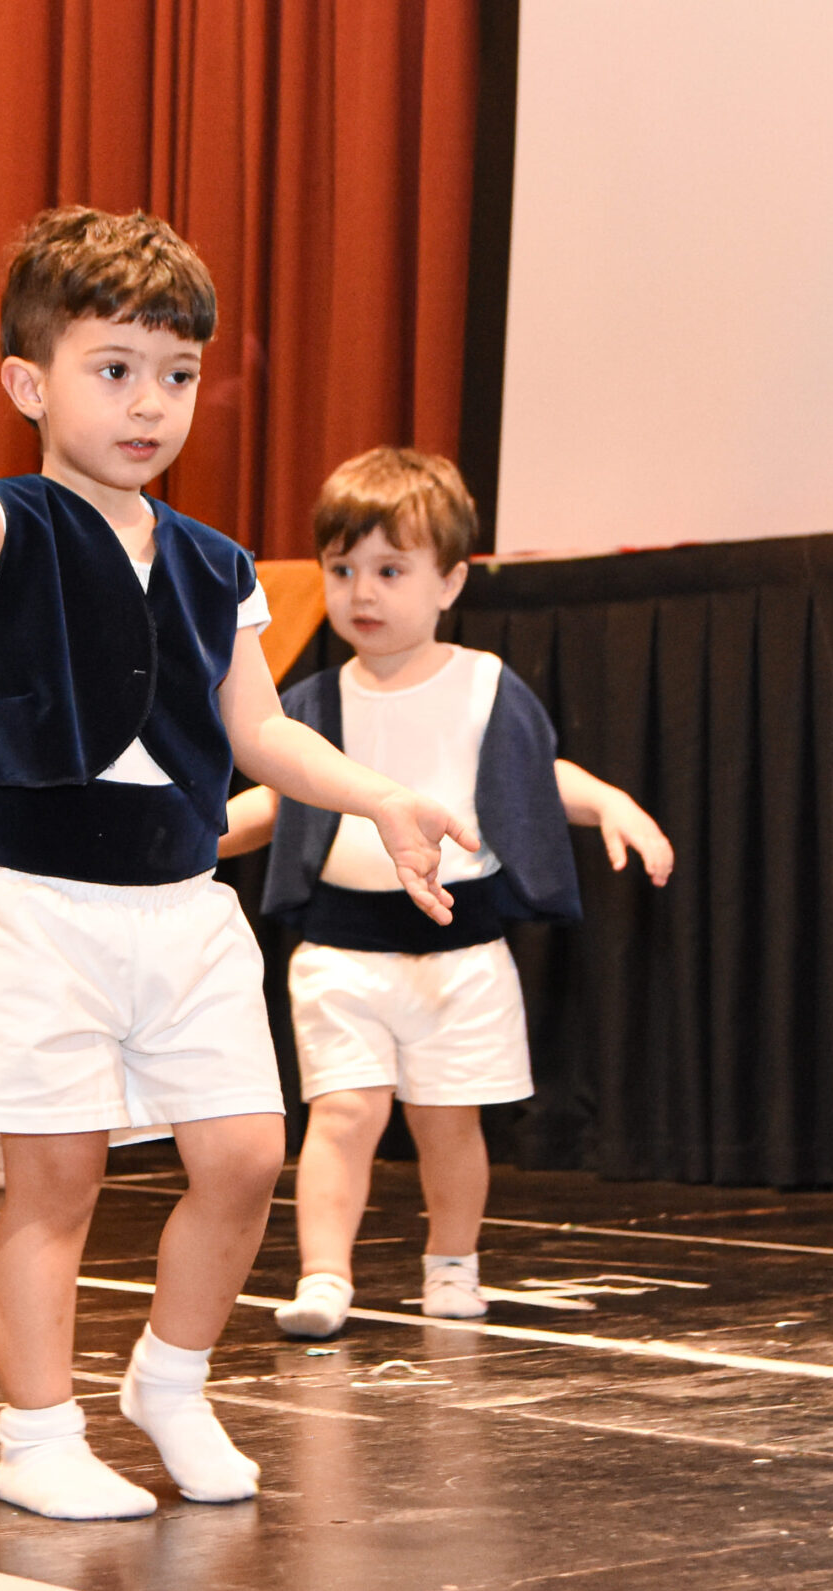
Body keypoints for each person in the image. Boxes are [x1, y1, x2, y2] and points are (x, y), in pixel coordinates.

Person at [0, 205, 469, 1520]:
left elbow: (258, 730)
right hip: (42, 910)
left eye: (177, 373)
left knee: (246, 1154)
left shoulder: (214, 565)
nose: (150, 403)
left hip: (182, 910)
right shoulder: (10, 528)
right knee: (57, 1179)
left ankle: (170, 1379)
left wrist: (379, 793)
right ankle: (36, 1434)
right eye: (114, 369)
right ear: (29, 383)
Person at [216, 448, 673, 1337]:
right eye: (342, 569)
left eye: (391, 570)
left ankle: (453, 1264)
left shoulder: (483, 685)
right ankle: (323, 1275)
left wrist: (613, 804)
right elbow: (277, 800)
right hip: (341, 951)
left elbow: (535, 779)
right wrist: (188, 838)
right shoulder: (307, 704)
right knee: (342, 1114)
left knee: (447, 1121)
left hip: (460, 952)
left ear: (451, 581)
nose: (363, 592)